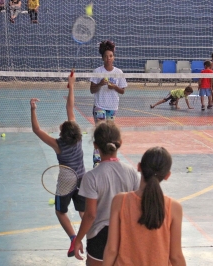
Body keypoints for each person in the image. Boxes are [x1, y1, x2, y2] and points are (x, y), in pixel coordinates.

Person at [30, 74, 86, 258]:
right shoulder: (78, 136)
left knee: (60, 211)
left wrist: (33, 109)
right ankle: (91, 236)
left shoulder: (58, 144)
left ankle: (73, 238)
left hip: (66, 180)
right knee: (83, 211)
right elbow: (70, 106)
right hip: (82, 177)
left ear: (62, 133)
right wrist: (72, 86)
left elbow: (37, 130)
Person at [102, 147, 186, 266]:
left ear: (139, 167)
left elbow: (112, 249)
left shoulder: (120, 201)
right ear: (167, 176)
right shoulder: (174, 207)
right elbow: (175, 256)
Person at [73, 121, 140, 266]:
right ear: (120, 143)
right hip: (125, 234)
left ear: (95, 145)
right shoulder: (132, 172)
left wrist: (77, 240)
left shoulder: (91, 177)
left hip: (99, 236)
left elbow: (90, 215)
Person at [90, 40, 127, 168]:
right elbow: (91, 90)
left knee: (110, 135)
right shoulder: (97, 71)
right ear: (103, 58)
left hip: (112, 108)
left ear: (113, 57)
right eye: (106, 56)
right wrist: (100, 84)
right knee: (101, 134)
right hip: (100, 105)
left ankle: (108, 160)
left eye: (110, 56)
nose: (108, 58)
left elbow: (122, 91)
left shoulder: (119, 72)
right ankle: (97, 161)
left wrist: (114, 87)